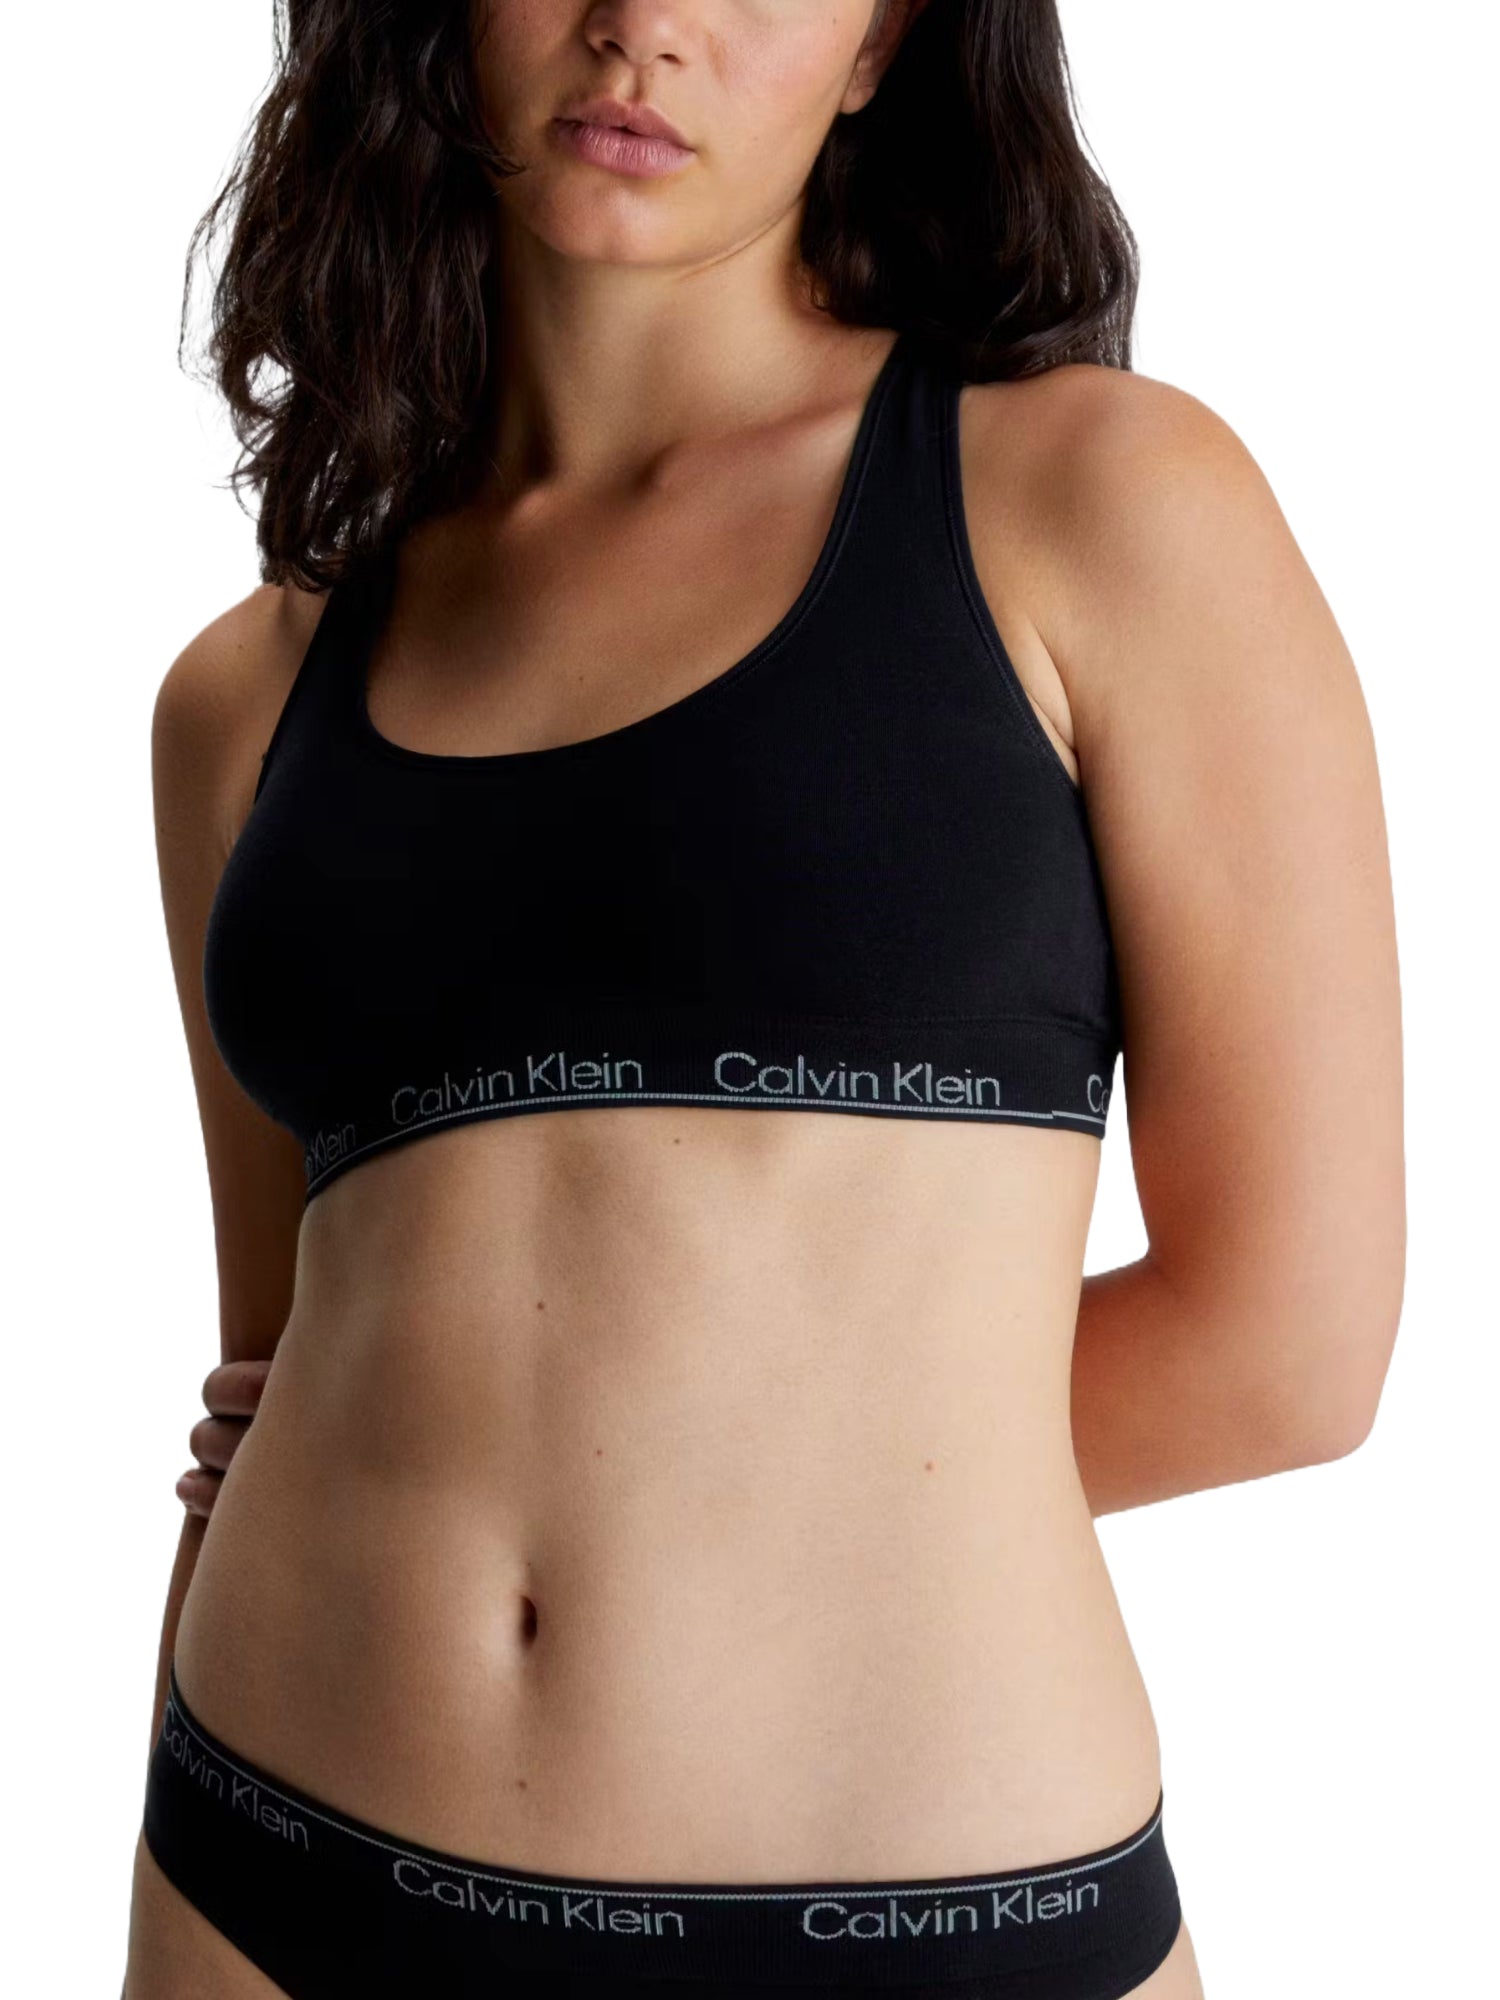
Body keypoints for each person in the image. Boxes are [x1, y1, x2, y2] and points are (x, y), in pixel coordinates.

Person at [123, 2, 1406, 1996]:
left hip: (925, 1927)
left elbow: (1287, 1348)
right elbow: (282, 1364)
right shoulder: (245, 696)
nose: (646, 25)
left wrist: (662, 1483)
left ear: (884, 43)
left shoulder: (1099, 505)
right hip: (263, 1872)